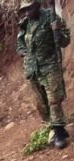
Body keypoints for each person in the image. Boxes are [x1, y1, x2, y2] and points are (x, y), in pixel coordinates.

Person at [17, 0, 70, 149]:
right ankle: (53, 128)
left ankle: (59, 133)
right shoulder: (24, 23)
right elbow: (20, 42)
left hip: (49, 65)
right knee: (41, 102)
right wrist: (24, 53)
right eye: (24, 10)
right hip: (32, 69)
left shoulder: (50, 17)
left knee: (54, 99)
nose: (27, 12)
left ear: (37, 6)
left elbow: (65, 41)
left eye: (29, 9)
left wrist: (57, 31)